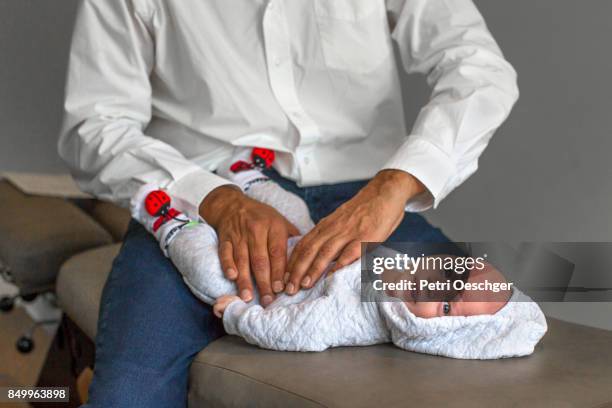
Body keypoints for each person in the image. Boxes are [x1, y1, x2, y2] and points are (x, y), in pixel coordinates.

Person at [59, 0, 519, 406]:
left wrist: (395, 186)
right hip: (200, 203)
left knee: (488, 353)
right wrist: (214, 197)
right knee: (129, 394)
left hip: (366, 200)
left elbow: (478, 69)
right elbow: (95, 125)